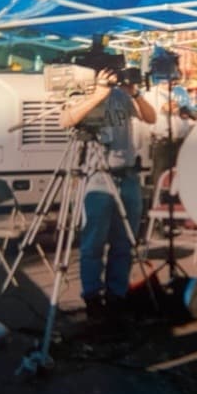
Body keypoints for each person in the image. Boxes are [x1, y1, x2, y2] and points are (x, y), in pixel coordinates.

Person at [59, 67, 156, 321]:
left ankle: (117, 295)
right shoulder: (82, 93)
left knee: (124, 242)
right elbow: (67, 120)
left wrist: (135, 94)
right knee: (93, 242)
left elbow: (151, 118)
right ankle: (92, 297)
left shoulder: (123, 96)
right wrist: (99, 94)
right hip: (98, 177)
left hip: (128, 176)